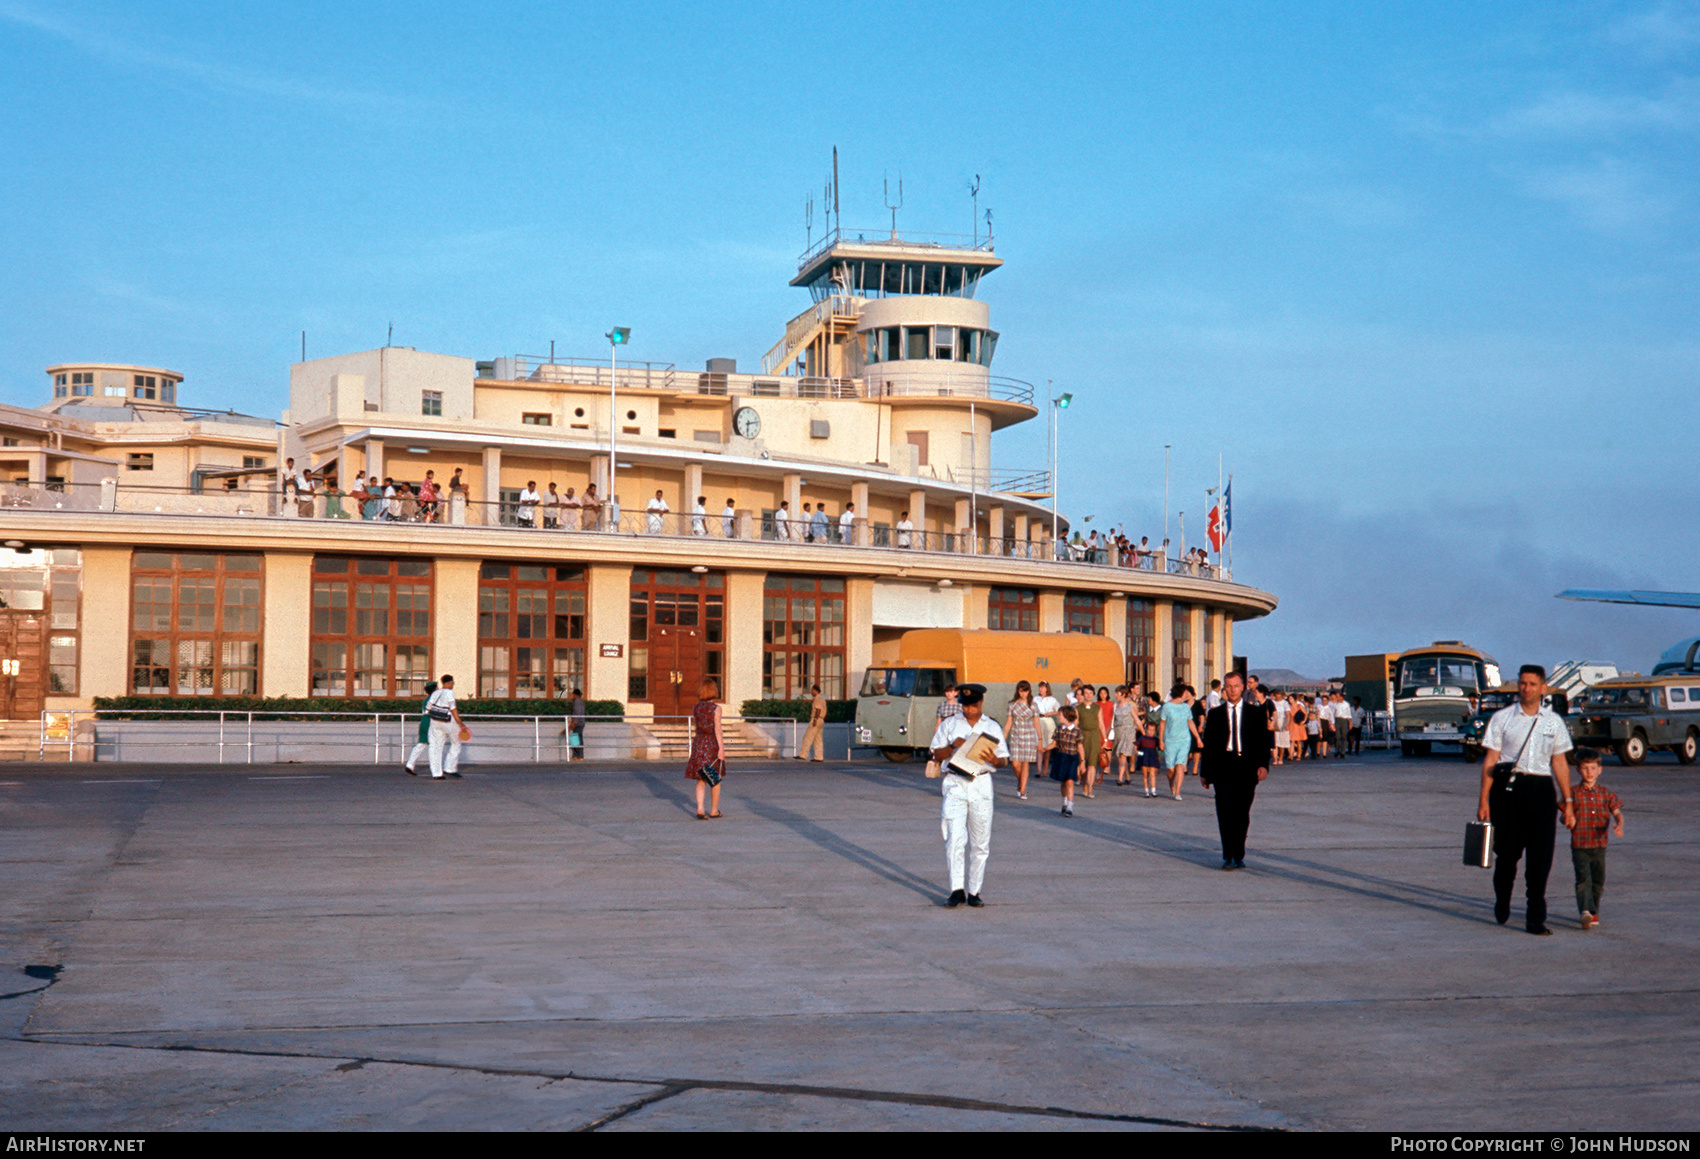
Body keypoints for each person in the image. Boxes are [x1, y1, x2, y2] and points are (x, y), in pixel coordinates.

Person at [1477, 664, 1575, 935]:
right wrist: (1484, 800)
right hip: (1509, 791)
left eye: (1532, 684)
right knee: (1507, 857)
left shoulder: (1553, 721)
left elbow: (1560, 762)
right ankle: (1503, 898)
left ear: (1543, 688)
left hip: (1541, 790)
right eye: (1523, 683)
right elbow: (1491, 760)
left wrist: (1568, 801)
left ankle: (1535, 918)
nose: (1527, 688)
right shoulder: (1502, 718)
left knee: (1541, 859)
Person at [928, 683, 1009, 907]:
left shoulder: (991, 726)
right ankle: (956, 889)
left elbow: (1003, 759)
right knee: (954, 838)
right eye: (965, 706)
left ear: (981, 703)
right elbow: (935, 753)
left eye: (973, 706)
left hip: (981, 783)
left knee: (980, 841)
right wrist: (953, 746)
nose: (969, 710)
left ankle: (975, 891)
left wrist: (994, 760)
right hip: (955, 783)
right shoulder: (950, 724)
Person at [1200, 672, 1272, 869]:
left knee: (1242, 813)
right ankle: (1228, 856)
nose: (1232, 690)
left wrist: (1263, 765)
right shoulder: (1215, 714)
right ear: (1224, 688)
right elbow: (1209, 746)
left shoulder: (1256, 713)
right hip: (1223, 767)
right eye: (1229, 686)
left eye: (1236, 686)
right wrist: (1205, 772)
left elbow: (1263, 742)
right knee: (1224, 812)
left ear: (1243, 688)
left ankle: (1239, 853)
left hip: (1246, 768)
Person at [1569, 747, 1624, 932]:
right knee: (1583, 879)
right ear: (1578, 769)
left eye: (1593, 768)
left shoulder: (1606, 794)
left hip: (1599, 845)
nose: (1589, 772)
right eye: (1585, 768)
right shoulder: (1573, 793)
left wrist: (1619, 825)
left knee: (1598, 880)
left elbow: (1617, 813)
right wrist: (1568, 819)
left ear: (1600, 769)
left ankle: (1593, 911)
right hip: (1580, 845)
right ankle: (1585, 911)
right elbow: (1564, 815)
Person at [685, 676, 726, 819]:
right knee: (715, 779)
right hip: (711, 744)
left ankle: (700, 809)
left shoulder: (696, 708)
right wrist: (721, 748)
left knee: (701, 778)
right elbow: (717, 729)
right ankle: (714, 810)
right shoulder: (716, 708)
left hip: (698, 743)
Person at [424, 674, 465, 780]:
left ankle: (437, 773)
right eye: (452, 682)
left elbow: (428, 708)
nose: (453, 684)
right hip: (448, 722)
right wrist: (461, 724)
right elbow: (453, 709)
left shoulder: (435, 693)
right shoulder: (449, 693)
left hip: (435, 722)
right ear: (448, 683)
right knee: (456, 743)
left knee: (435, 747)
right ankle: (450, 768)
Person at [1003, 680, 1039, 800]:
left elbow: (1037, 722)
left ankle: (1022, 789)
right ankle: (1020, 782)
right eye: (1021, 691)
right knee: (1015, 763)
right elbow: (1009, 722)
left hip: (1029, 735)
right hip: (1015, 735)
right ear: (1018, 691)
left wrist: (1040, 739)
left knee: (1025, 762)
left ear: (1029, 691)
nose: (1023, 693)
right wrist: (1003, 737)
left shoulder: (1033, 705)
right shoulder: (1012, 704)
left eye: (1026, 691)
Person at [1157, 685, 1194, 800]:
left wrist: (1197, 738)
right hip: (1170, 740)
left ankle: (1178, 792)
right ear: (1180, 693)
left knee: (1180, 765)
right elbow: (1162, 724)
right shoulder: (1167, 707)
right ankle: (1171, 783)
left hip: (1184, 739)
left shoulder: (1186, 707)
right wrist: (1161, 740)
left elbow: (1190, 722)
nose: (1187, 694)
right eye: (1185, 692)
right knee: (1171, 769)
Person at [1051, 705, 1082, 816]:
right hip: (1061, 757)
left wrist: (1082, 762)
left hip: (1072, 758)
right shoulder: (1059, 729)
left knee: (1070, 781)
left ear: (1066, 716)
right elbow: (1054, 743)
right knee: (1063, 782)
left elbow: (1080, 746)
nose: (1058, 716)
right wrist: (1044, 748)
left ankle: (1070, 806)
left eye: (1060, 714)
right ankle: (1064, 801)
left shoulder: (1076, 731)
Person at [403, 680, 438, 775]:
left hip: (424, 721)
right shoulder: (434, 699)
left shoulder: (426, 699)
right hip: (430, 722)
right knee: (434, 746)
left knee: (422, 744)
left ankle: (410, 764)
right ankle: (437, 769)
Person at [1113, 684, 1140, 786]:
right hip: (1119, 731)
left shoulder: (1131, 706)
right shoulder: (1115, 706)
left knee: (1123, 755)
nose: (1116, 695)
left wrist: (1143, 733)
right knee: (1121, 756)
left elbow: (1136, 720)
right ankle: (1127, 777)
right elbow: (1113, 720)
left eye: (1118, 693)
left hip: (1128, 731)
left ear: (1123, 694)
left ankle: (1120, 779)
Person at [1033, 680, 1060, 781]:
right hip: (1038, 720)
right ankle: (1039, 770)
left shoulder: (1052, 699)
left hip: (1047, 721)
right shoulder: (1035, 699)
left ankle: (1045, 769)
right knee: (1039, 744)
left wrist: (1051, 713)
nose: (1041, 689)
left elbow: (1059, 711)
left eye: (1043, 687)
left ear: (1047, 689)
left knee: (1047, 746)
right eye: (1040, 687)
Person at [796, 682, 827, 762]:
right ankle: (819, 757)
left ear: (816, 691)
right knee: (818, 739)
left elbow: (818, 710)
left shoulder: (817, 699)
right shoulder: (822, 699)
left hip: (816, 719)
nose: (811, 692)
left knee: (808, 737)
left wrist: (815, 719)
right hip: (821, 720)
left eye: (812, 690)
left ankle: (803, 755)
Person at [568, 687, 586, 761]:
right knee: (575, 738)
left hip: (578, 723)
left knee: (577, 738)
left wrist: (574, 722)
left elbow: (577, 713)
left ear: (575, 694)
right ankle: (576, 755)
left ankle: (579, 755)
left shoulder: (577, 702)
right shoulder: (579, 701)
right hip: (579, 722)